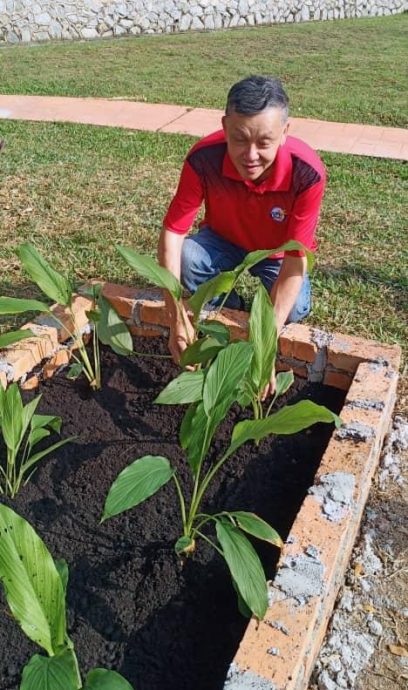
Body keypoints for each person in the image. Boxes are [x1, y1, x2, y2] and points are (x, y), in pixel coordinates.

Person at [158, 75, 326, 397]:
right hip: (223, 240)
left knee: (293, 309)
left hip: (276, 254)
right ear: (225, 126)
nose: (251, 155)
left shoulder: (307, 174)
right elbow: (173, 233)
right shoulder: (202, 159)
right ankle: (230, 308)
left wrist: (264, 346)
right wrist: (175, 315)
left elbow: (295, 260)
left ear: (285, 133)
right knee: (188, 257)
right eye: (239, 139)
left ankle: (256, 315)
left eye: (264, 142)